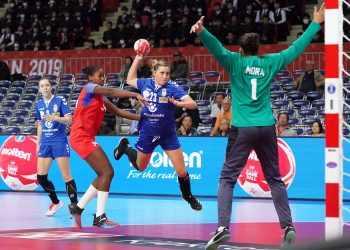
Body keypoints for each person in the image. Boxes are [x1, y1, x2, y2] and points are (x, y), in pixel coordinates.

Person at [190, 3, 324, 249]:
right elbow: (296, 49)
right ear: (257, 48)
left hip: (242, 128)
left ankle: (222, 228)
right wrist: (315, 23)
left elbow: (216, 48)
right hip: (266, 127)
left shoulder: (234, 62)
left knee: (227, 178)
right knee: (275, 178)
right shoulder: (270, 62)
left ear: (241, 49)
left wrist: (201, 31)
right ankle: (288, 226)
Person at [113, 55, 202, 211]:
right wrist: (138, 58)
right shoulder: (145, 83)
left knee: (181, 171)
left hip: (168, 134)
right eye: (162, 73)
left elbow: (193, 104)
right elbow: (129, 79)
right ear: (154, 73)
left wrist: (179, 103)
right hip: (148, 132)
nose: (165, 76)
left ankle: (188, 196)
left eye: (167, 73)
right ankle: (126, 148)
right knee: (141, 167)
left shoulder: (172, 87)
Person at [68, 66, 148, 228]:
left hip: (85, 137)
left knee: (102, 175)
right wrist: (134, 93)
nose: (103, 78)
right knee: (108, 172)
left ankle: (77, 208)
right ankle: (100, 217)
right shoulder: (88, 89)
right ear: (90, 78)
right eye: (100, 75)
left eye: (104, 76)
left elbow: (119, 112)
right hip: (80, 136)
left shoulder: (101, 100)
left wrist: (142, 118)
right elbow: (111, 92)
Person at [36, 78, 78, 216]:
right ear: (40, 89)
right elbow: (40, 125)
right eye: (42, 86)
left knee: (66, 176)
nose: (45, 87)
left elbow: (69, 119)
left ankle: (74, 207)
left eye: (47, 85)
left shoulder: (60, 100)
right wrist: (38, 143)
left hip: (59, 141)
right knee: (41, 177)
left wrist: (55, 118)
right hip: (46, 143)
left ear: (50, 87)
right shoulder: (39, 104)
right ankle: (56, 203)